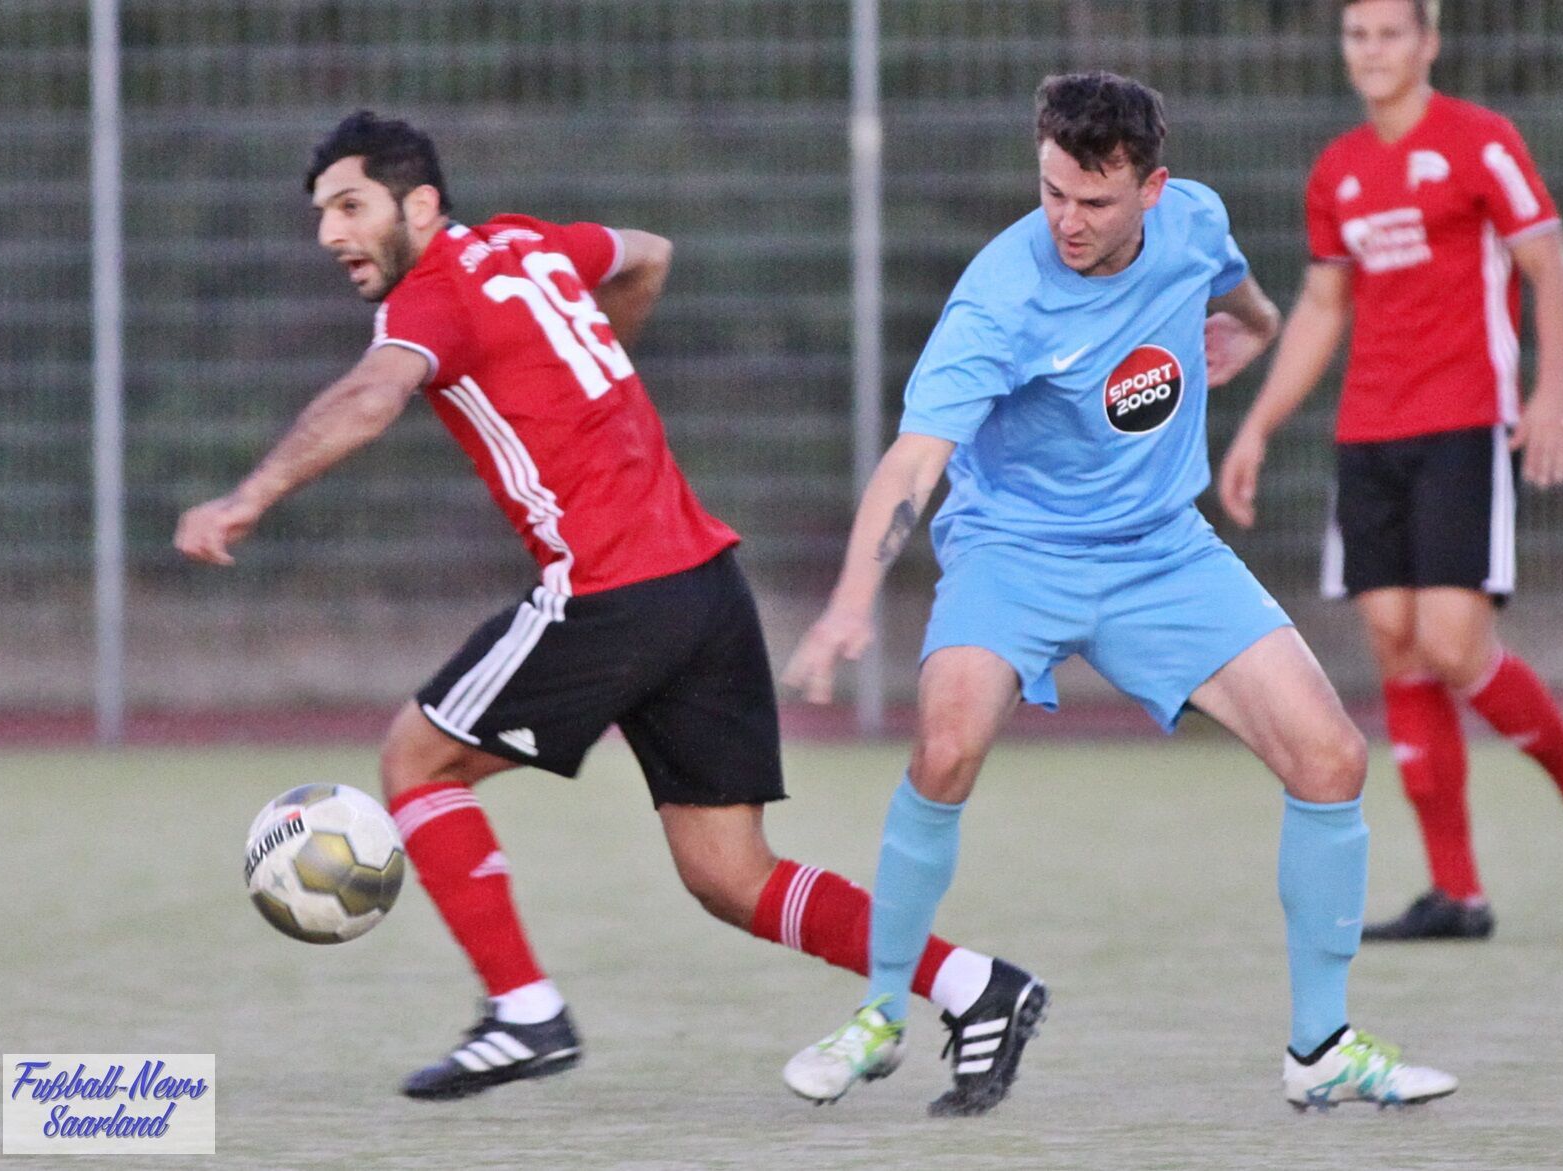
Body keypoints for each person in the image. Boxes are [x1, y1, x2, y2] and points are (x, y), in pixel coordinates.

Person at [174, 110, 1021, 1102]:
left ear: (421, 204)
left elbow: (370, 396)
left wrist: (246, 497)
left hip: (610, 591)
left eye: (350, 207)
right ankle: (977, 985)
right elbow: (648, 254)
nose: (331, 233)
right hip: (705, 587)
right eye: (322, 214)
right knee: (728, 873)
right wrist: (595, 357)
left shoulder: (431, 295)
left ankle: (523, 1010)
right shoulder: (531, 245)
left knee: (415, 758)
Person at [780, 71, 1459, 1114]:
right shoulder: (1001, 293)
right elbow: (917, 459)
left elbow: (1234, 284)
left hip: (1159, 553)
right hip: (1013, 552)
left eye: (1094, 201)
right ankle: (879, 1014)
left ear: (1152, 189)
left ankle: (1320, 1048)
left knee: (1331, 757)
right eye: (1051, 192)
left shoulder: (1192, 223)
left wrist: (1257, 326)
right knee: (945, 744)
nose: (1067, 220)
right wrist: (848, 599)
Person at [1218, 0, 1563, 941]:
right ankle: (1457, 892)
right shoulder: (1339, 168)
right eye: (1357, 35)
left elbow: (1548, 265)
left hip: (1462, 425)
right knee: (1395, 641)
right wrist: (1257, 425)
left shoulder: (1481, 142)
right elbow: (1326, 305)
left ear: (1429, 42)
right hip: (1368, 432)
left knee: (1454, 644)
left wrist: (1549, 396)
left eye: (1389, 34)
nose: (1371, 51)